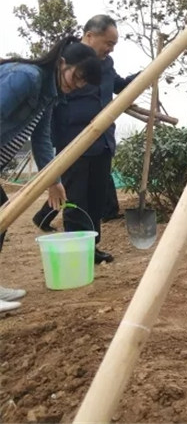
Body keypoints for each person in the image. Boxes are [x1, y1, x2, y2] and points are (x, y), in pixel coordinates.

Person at [0, 36, 101, 313]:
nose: (76, 86)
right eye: (77, 77)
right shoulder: (27, 77)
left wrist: (54, 181)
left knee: (2, 213)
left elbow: (42, 140)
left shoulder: (49, 95)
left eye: (82, 84)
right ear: (63, 62)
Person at [33, 15, 137, 264]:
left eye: (114, 44)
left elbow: (119, 85)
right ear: (89, 36)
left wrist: (149, 73)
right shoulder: (68, 62)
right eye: (108, 42)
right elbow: (51, 105)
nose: (110, 48)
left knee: (96, 197)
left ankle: (91, 247)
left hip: (102, 141)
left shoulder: (107, 63)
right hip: (73, 141)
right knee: (76, 198)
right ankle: (76, 249)